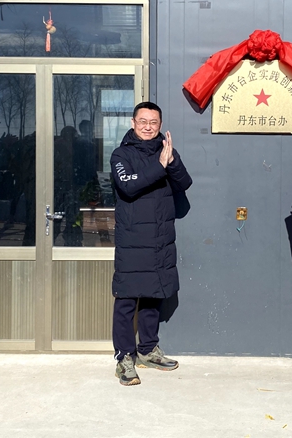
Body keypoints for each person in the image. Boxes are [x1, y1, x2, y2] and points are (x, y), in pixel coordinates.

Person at [110, 101, 192, 386]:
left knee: (153, 295)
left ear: (160, 125)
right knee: (126, 299)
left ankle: (148, 350)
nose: (148, 126)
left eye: (153, 122)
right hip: (132, 240)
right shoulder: (121, 155)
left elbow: (185, 182)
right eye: (143, 121)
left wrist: (172, 161)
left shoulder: (166, 152)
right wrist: (159, 166)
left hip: (160, 239)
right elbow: (128, 186)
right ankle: (124, 358)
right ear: (133, 123)